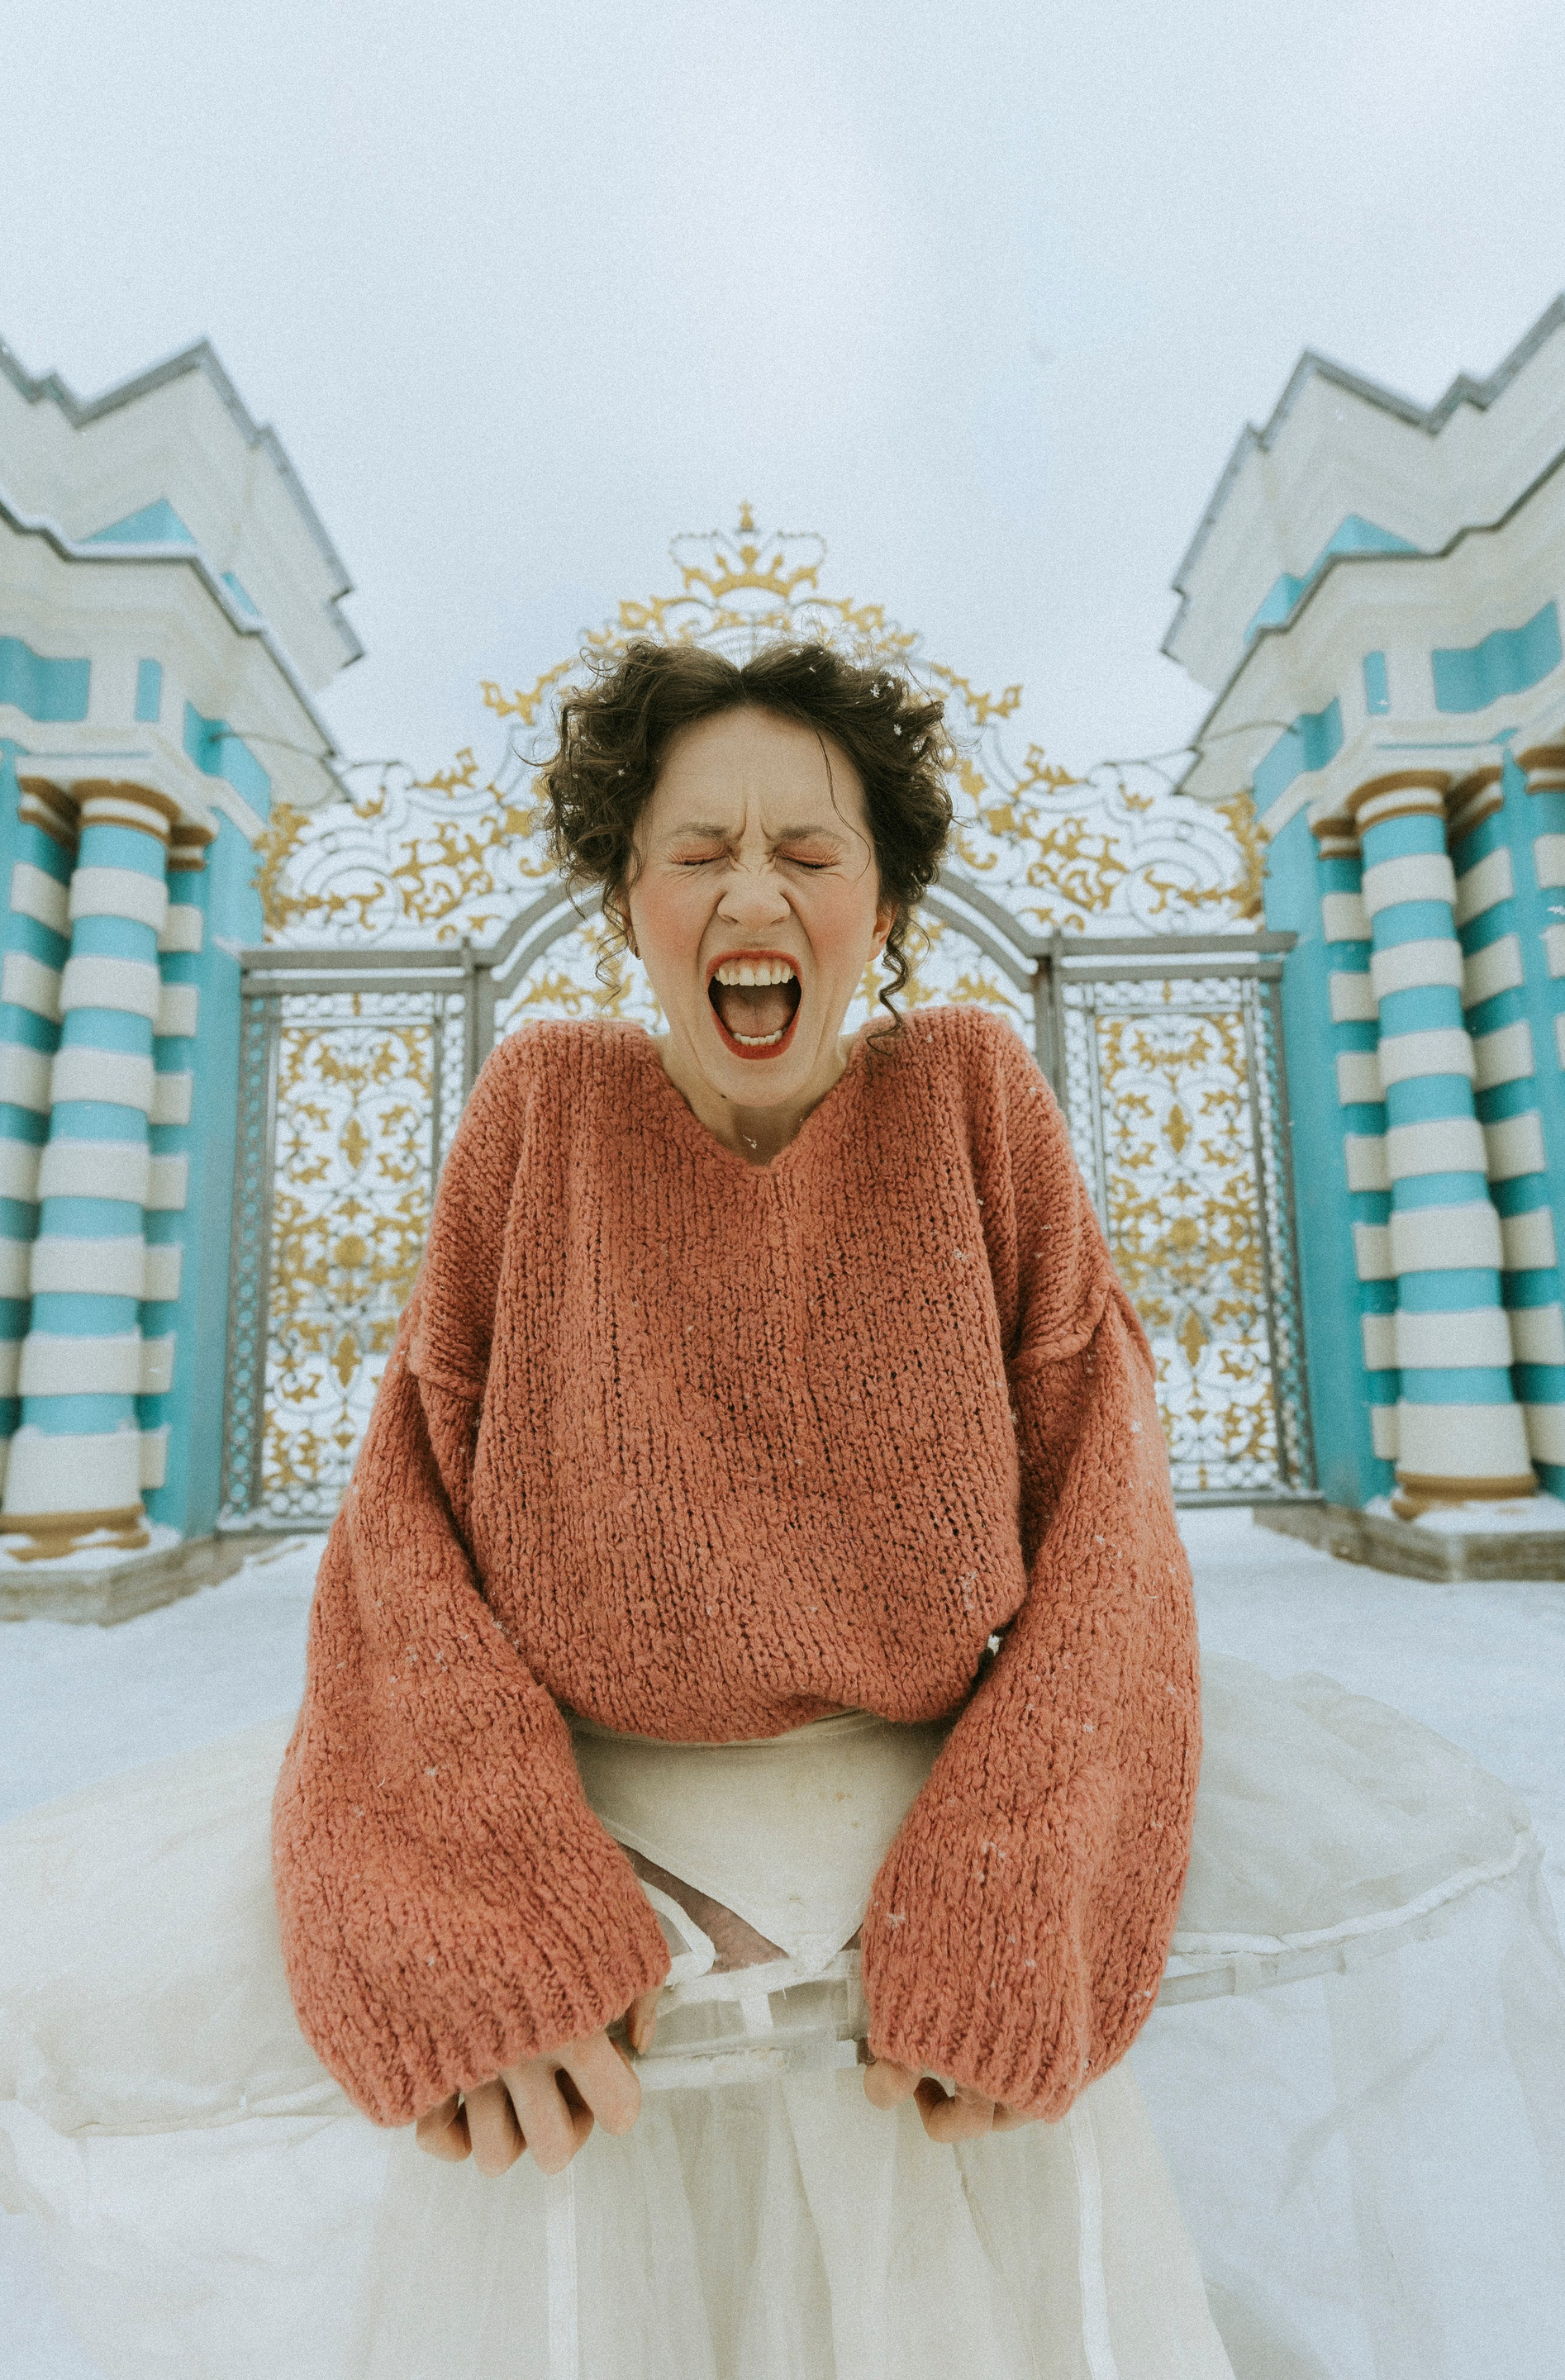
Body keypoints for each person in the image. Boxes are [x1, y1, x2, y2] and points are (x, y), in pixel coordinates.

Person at [264, 634, 1232, 2372]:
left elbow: (1111, 1524)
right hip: (610, 1996)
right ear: (627, 896)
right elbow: (398, 1531)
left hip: (915, 1990)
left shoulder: (973, 1101)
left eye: (808, 849)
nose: (753, 892)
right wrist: (481, 1901)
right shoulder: (541, 1112)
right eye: (699, 850)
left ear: (885, 897)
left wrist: (1019, 1891)